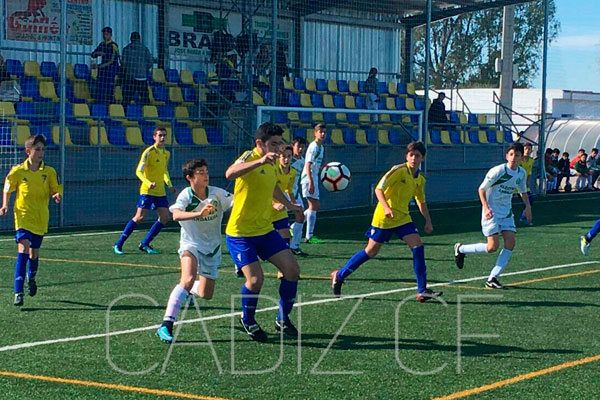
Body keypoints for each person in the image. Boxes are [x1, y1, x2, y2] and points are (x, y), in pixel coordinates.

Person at [330, 141, 442, 301]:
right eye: (411, 155)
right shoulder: (398, 171)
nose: (413, 159)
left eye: (417, 156)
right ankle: (339, 275)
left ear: (422, 158)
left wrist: (428, 221)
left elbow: (420, 201)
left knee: (418, 247)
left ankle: (422, 290)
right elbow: (378, 189)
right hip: (384, 218)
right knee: (370, 252)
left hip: (403, 218)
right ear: (406, 156)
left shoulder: (420, 180)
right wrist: (387, 208)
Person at [225, 122, 303, 342]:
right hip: (240, 233)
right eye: (274, 144)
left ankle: (282, 319)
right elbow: (229, 173)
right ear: (260, 143)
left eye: (280, 144)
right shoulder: (249, 156)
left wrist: (291, 205)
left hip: (265, 229)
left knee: (292, 270)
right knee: (255, 280)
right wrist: (258, 160)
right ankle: (247, 319)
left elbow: (274, 187)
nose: (279, 149)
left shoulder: (273, 162)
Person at [156, 159, 233, 343]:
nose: (206, 174)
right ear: (189, 177)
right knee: (188, 279)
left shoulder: (216, 194)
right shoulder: (186, 195)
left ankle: (189, 292)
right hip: (191, 244)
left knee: (207, 294)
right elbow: (175, 214)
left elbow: (237, 202)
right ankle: (166, 324)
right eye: (200, 172)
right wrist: (199, 213)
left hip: (212, 247)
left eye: (206, 171)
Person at [454, 143, 532, 289]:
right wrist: (486, 207)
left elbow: (522, 191)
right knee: (492, 247)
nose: (514, 158)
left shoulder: (521, 173)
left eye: (517, 155)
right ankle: (461, 249)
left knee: (511, 243)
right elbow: (481, 189)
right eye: (511, 154)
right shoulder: (498, 171)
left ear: (522, 157)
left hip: (507, 212)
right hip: (491, 212)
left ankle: (493, 278)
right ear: (506, 156)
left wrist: (527, 207)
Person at [0, 135, 62, 306]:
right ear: (28, 151)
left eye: (42, 149)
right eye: (37, 149)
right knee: (24, 249)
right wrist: (4, 205)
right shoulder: (18, 171)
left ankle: (31, 277)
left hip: (40, 218)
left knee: (34, 254)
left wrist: (56, 195)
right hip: (23, 217)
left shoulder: (49, 172)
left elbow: (55, 189)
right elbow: (7, 188)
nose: (41, 152)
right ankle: (18, 292)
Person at [113, 127, 177, 254]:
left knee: (164, 218)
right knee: (139, 217)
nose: (162, 138)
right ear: (154, 137)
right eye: (160, 135)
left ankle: (145, 243)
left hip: (160, 191)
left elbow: (164, 171)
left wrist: (169, 185)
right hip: (147, 190)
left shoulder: (166, 153)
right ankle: (118, 244)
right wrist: (148, 183)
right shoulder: (148, 152)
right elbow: (138, 171)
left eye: (164, 135)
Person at [302, 123, 326, 244]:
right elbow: (308, 164)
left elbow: (315, 164)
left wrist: (323, 169)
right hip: (308, 178)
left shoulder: (321, 147)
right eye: (320, 131)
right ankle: (309, 236)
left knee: (314, 206)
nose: (322, 134)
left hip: (313, 177)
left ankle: (294, 226)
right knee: (313, 206)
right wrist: (310, 181)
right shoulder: (313, 146)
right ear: (315, 133)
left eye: (324, 132)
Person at [272, 145, 296, 246]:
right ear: (279, 157)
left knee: (286, 234)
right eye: (283, 156)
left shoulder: (292, 172)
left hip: (280, 209)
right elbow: (266, 189)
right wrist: (273, 204)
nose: (286, 159)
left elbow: (289, 190)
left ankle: (285, 256)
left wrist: (295, 205)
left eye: (289, 156)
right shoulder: (273, 168)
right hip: (265, 206)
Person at [121, 32, 153, 105]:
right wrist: (143, 69)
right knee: (145, 99)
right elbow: (150, 62)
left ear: (131, 39)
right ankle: (147, 114)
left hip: (130, 77)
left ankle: (123, 114)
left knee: (126, 98)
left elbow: (124, 63)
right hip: (142, 77)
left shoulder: (126, 49)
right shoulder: (145, 49)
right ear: (139, 39)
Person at [91, 26, 120, 104]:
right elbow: (93, 54)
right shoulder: (102, 44)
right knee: (100, 92)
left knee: (109, 92)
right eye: (104, 34)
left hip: (110, 72)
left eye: (106, 34)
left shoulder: (113, 46)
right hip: (102, 73)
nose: (104, 36)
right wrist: (97, 53)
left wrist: (98, 66)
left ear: (110, 35)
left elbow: (111, 61)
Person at [289, 137, 308, 256]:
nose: (300, 149)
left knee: (301, 216)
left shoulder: (302, 161)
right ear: (293, 146)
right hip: (282, 193)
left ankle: (294, 246)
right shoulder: (286, 159)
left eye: (302, 147)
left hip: (295, 193)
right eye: (298, 146)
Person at [519, 142, 534, 225]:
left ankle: (524, 217)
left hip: (523, 184)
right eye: (525, 149)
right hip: (515, 184)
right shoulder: (519, 159)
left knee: (529, 201)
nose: (527, 150)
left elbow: (529, 172)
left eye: (529, 149)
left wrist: (527, 181)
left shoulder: (531, 160)